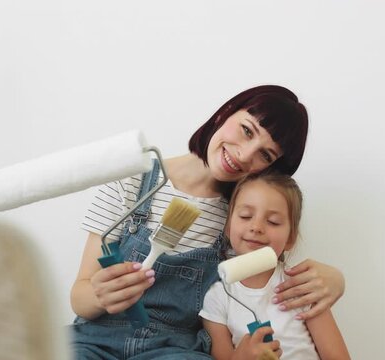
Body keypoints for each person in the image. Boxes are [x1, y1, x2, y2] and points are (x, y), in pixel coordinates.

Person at [70, 85, 346, 359]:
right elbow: (79, 297)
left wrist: (336, 280)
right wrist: (99, 294)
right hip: (94, 339)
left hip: (175, 350)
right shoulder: (132, 178)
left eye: (266, 154)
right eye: (247, 130)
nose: (245, 154)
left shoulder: (242, 217)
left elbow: (269, 271)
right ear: (225, 113)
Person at [199, 172, 350, 360]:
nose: (256, 227)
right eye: (246, 216)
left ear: (290, 238)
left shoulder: (304, 287)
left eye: (273, 221)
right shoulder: (217, 297)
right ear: (228, 227)